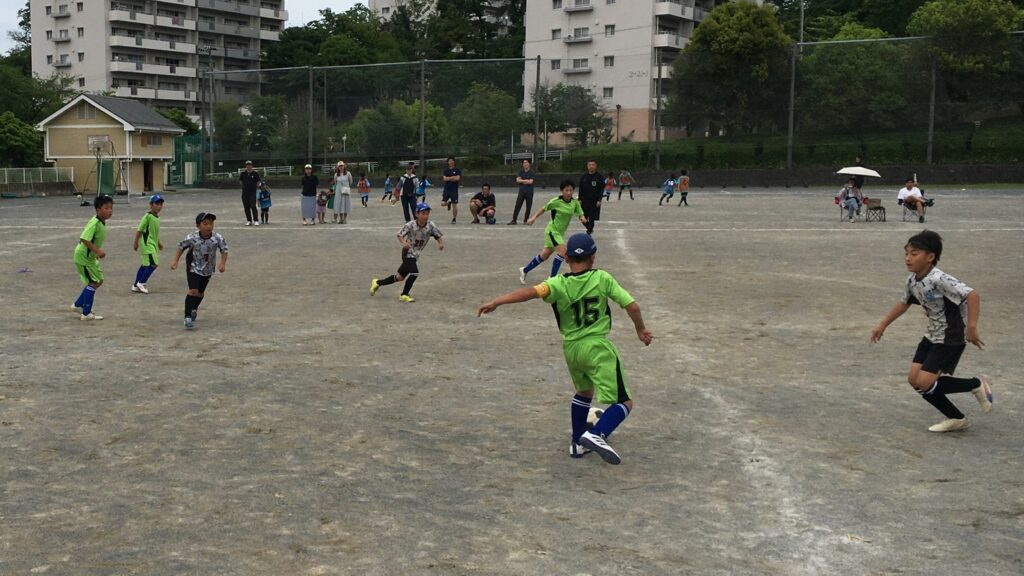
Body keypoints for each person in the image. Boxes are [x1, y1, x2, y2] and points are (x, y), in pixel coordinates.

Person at [477, 233, 654, 464]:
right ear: (593, 258)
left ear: (567, 258)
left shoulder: (557, 284)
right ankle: (596, 433)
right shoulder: (602, 278)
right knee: (624, 401)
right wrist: (641, 329)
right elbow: (632, 306)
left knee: (584, 392)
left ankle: (577, 443)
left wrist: (497, 301)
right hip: (597, 347)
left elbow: (529, 293)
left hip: (572, 349)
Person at [869, 230, 993, 432]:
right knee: (914, 381)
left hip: (950, 336)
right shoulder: (912, 280)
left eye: (914, 253)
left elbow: (972, 295)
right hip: (932, 335)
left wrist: (971, 327)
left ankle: (975, 383)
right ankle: (957, 418)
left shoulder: (939, 278)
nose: (908, 258)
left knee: (925, 383)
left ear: (930, 257)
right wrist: (882, 325)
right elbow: (904, 303)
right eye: (906, 253)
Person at [370, 202, 444, 303]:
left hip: (416, 254)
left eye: (427, 213)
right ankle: (404, 294)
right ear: (417, 214)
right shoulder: (410, 225)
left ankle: (377, 282)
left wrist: (440, 243)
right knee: (414, 273)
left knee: (399, 277)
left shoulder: (430, 225)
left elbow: (437, 235)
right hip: (408, 253)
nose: (426, 216)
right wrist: (404, 243)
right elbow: (399, 235)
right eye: (423, 213)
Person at [518, 179, 587, 284]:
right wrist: (533, 218)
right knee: (562, 252)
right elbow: (544, 208)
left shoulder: (574, 202)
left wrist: (582, 217)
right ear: (562, 191)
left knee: (544, 256)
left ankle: (524, 270)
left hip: (560, 233)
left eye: (571, 190)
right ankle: (552, 278)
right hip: (552, 231)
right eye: (566, 190)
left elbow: (579, 212)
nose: (569, 193)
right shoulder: (556, 201)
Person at [170, 212, 229, 329]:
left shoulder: (217, 238)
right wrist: (175, 261)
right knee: (193, 291)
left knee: (200, 293)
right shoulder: (192, 237)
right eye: (205, 224)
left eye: (211, 223)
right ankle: (187, 317)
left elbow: (224, 250)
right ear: (198, 226)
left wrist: (222, 264)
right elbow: (181, 246)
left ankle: (194, 308)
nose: (209, 226)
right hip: (193, 266)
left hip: (208, 268)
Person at [70, 195, 113, 321]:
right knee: (94, 282)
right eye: (106, 208)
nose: (110, 211)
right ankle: (86, 313)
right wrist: (97, 251)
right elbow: (84, 238)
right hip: (83, 257)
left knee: (98, 280)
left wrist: (95, 254)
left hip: (89, 257)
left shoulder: (101, 222)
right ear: (98, 210)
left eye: (111, 208)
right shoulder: (94, 222)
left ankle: (78, 304)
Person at [131, 194, 164, 294]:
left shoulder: (157, 218)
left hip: (152, 244)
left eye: (161, 204)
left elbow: (154, 233)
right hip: (147, 245)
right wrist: (136, 242)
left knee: (145, 265)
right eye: (157, 204)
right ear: (151, 205)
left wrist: (159, 243)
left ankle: (135, 285)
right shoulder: (147, 217)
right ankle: (142, 282)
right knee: (154, 264)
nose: (159, 206)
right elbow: (140, 230)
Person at [577, 160, 603, 235]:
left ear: (596, 166)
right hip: (584, 201)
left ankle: (589, 232)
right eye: (589, 165)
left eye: (593, 165)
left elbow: (601, 189)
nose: (591, 166)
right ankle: (590, 228)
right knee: (582, 217)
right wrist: (579, 199)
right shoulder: (584, 177)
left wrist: (599, 200)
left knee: (592, 218)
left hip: (594, 201)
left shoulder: (599, 177)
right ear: (587, 166)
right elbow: (580, 189)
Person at [509, 158, 535, 225]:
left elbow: (531, 182)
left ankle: (526, 220)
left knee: (528, 206)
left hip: (529, 192)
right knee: (517, 205)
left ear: (529, 164)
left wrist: (522, 180)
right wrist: (526, 180)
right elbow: (518, 180)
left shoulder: (532, 172)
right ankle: (514, 220)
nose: (525, 164)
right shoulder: (521, 172)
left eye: (526, 162)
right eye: (524, 163)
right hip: (522, 191)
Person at [239, 160, 262, 226]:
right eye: (247, 165)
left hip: (252, 193)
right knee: (246, 207)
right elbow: (240, 181)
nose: (248, 166)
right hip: (245, 193)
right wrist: (244, 187)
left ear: (252, 166)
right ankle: (249, 220)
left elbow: (258, 182)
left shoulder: (255, 173)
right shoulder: (243, 173)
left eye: (250, 165)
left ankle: (256, 220)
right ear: (246, 166)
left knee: (253, 206)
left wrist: (255, 187)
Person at [441, 156, 461, 224]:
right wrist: (452, 178)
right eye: (449, 161)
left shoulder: (457, 170)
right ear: (448, 162)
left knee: (454, 205)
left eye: (452, 161)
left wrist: (449, 178)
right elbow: (444, 179)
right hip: (447, 189)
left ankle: (454, 219)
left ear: (454, 162)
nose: (451, 162)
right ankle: (448, 203)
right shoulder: (446, 170)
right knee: (442, 203)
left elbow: (457, 178)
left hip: (454, 190)